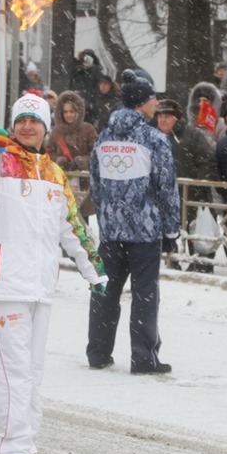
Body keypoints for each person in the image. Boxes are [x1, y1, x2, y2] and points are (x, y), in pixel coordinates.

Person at [0, 92, 106, 454]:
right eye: (21, 120)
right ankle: (11, 448)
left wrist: (94, 272)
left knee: (33, 370)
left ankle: (27, 442)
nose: (27, 126)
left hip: (40, 285)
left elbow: (72, 228)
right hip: (3, 284)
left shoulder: (54, 175)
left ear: (45, 127)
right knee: (12, 370)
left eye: (34, 121)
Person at [87, 70, 180, 374]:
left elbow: (96, 185)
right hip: (145, 232)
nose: (156, 103)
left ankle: (98, 352)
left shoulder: (103, 137)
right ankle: (143, 358)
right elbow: (167, 188)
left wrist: (108, 216)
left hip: (111, 232)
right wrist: (170, 228)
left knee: (105, 293)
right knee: (145, 294)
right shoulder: (155, 139)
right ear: (142, 103)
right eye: (153, 98)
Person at [154, 98, 218, 270]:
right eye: (159, 115)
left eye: (167, 116)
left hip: (191, 196)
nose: (162, 119)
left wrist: (197, 187)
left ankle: (200, 268)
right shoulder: (153, 136)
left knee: (195, 237)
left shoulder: (193, 135)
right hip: (163, 199)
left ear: (177, 117)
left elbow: (207, 161)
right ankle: (172, 263)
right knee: (168, 236)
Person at [48, 90, 99, 218]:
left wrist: (82, 161)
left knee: (81, 218)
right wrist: (58, 160)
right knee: (61, 217)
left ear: (78, 112)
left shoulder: (88, 129)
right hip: (61, 182)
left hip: (84, 184)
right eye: (65, 112)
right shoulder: (56, 132)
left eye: (72, 111)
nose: (68, 115)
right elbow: (49, 152)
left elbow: (96, 152)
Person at [69, 50, 102, 123]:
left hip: (90, 104)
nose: (86, 61)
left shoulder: (95, 71)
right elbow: (71, 73)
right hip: (80, 102)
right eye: (84, 58)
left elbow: (99, 71)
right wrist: (76, 60)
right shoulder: (77, 71)